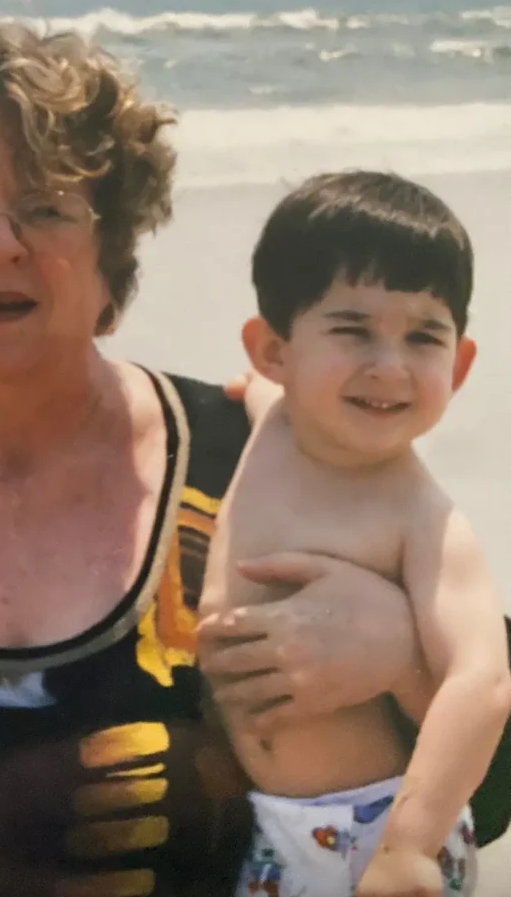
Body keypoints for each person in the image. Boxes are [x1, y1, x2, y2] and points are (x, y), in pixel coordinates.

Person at [0, 23, 509, 897]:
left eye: (48, 207)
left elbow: (490, 775)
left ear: (113, 258)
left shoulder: (270, 459)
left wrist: (402, 662)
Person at [200, 170, 511, 897]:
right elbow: (257, 392)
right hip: (268, 826)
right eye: (353, 330)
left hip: (372, 831)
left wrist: (409, 846)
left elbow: (484, 682)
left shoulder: (420, 516)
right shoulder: (272, 419)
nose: (390, 367)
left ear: (460, 365)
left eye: (424, 337)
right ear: (273, 351)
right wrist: (252, 392)